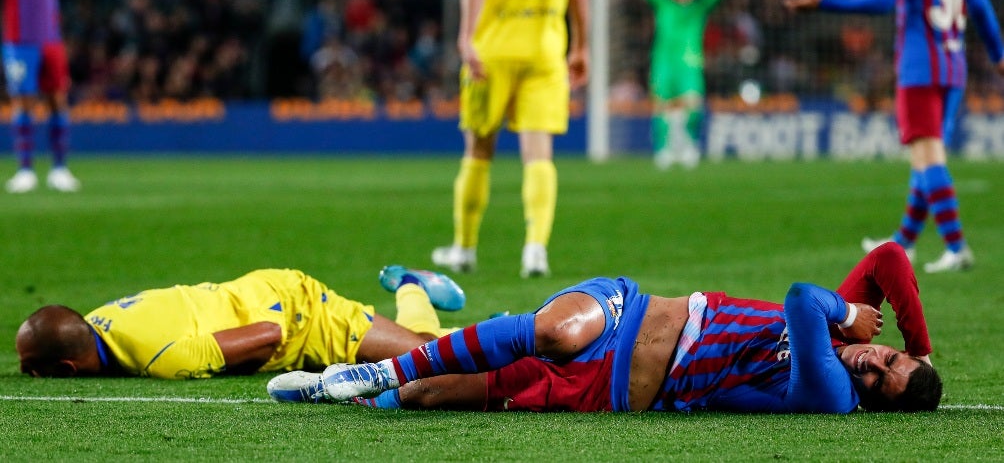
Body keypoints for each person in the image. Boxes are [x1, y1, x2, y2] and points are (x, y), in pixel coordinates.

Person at [268, 243, 941, 413]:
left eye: (884, 378)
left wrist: (848, 315)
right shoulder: (861, 344)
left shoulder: (832, 391)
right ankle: (373, 372)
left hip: (606, 387)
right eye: (888, 357)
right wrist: (921, 348)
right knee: (556, 329)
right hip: (627, 307)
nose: (872, 364)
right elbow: (887, 259)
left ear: (873, 400)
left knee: (426, 391)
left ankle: (416, 296)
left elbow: (801, 299)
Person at [782, 0, 1004, 273]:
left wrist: (825, 2)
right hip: (953, 65)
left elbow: (883, 0)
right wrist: (999, 56)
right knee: (925, 157)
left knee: (928, 156)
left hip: (919, 67)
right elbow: (980, 5)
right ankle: (904, 242)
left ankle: (956, 245)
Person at [430, 0, 591, 278]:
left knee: (479, 149)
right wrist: (581, 45)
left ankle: (464, 248)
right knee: (538, 154)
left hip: (493, 50)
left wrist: (466, 37)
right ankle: (536, 250)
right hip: (546, 50)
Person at [15, 265, 466, 379]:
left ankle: (412, 285)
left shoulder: (162, 358)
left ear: (65, 369)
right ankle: (490, 326)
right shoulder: (97, 320)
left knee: (427, 356)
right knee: (429, 351)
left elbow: (267, 337)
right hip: (260, 290)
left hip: (297, 313)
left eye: (29, 367)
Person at [0, 0, 137, 194]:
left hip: (51, 42)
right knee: (23, 103)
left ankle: (59, 169)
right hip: (19, 44)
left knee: (57, 101)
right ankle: (25, 170)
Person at [623, 0, 742, 170]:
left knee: (693, 107)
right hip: (663, 65)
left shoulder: (697, 11)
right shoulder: (664, 6)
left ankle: (689, 145)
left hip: (689, 66)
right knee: (662, 109)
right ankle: (663, 150)